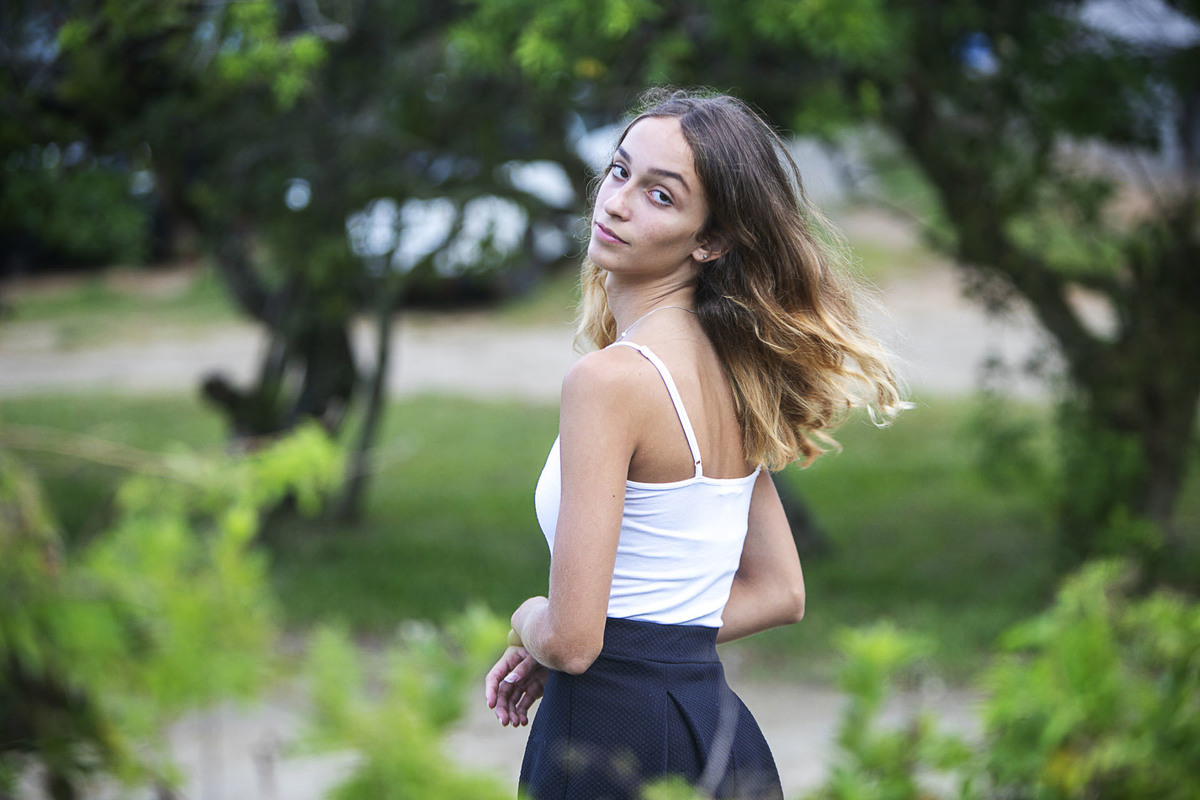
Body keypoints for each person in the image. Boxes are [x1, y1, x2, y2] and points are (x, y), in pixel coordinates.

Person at [484, 88, 904, 800]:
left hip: (606, 736)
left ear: (710, 240)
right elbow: (780, 590)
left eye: (660, 195)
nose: (616, 203)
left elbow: (573, 641)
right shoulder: (735, 372)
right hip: (712, 729)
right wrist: (655, 646)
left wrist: (530, 620)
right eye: (619, 172)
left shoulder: (609, 382)